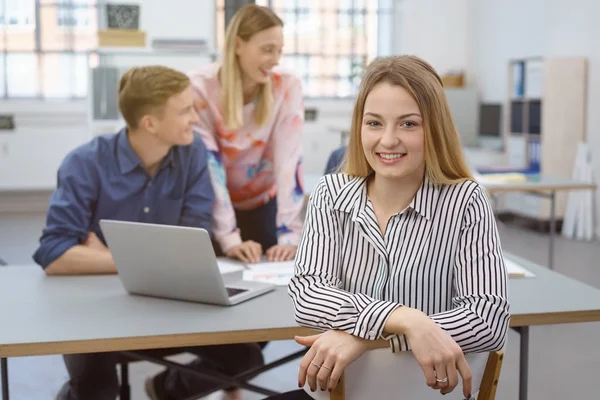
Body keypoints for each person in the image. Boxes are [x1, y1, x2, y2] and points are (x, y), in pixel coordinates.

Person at [267, 56, 511, 399]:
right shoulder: (331, 194)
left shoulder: (466, 200)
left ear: (435, 127)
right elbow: (308, 294)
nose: (388, 140)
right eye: (374, 123)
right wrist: (408, 320)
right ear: (359, 127)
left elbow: (488, 318)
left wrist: (364, 337)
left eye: (409, 124)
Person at [33, 65, 263, 400]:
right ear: (150, 123)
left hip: (172, 307)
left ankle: (165, 390)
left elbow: (193, 242)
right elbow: (54, 254)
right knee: (97, 391)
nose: (195, 117)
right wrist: (149, 262)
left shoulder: (193, 152)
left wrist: (99, 255)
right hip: (98, 313)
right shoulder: (84, 163)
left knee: (246, 360)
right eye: (185, 110)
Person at [189, 4, 305, 265]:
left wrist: (290, 234)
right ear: (239, 45)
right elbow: (210, 166)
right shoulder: (200, 87)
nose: (275, 59)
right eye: (267, 49)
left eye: (279, 50)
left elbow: (289, 161)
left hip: (264, 206)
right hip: (216, 208)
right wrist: (229, 236)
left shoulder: (286, 84)